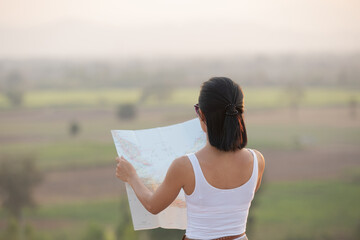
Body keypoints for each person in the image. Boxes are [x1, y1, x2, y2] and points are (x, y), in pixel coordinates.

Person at [116, 77, 265, 240]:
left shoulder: (185, 166)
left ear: (201, 114)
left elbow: (153, 205)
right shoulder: (257, 160)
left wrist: (131, 176)